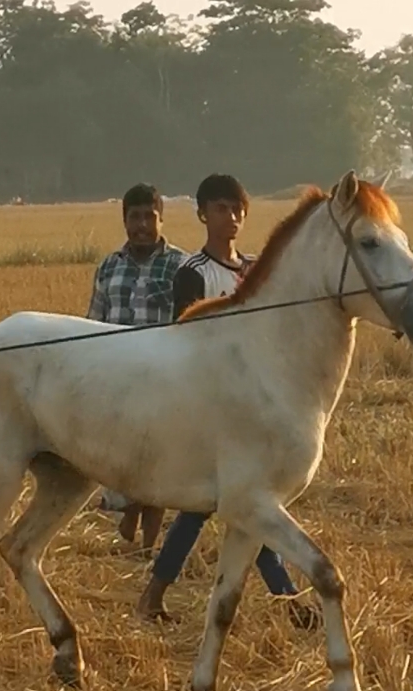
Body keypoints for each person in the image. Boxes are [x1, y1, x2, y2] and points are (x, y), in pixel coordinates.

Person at [136, 173, 318, 631]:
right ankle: (289, 599)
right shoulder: (193, 273)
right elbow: (189, 340)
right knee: (230, 505)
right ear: (203, 215)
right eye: (221, 209)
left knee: (229, 506)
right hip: (207, 404)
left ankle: (155, 594)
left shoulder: (257, 268)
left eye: (237, 209)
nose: (231, 217)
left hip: (253, 407)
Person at [87, 182, 186, 552]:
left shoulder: (180, 266)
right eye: (135, 217)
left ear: (161, 219)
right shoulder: (109, 267)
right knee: (123, 458)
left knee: (157, 458)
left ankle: (148, 544)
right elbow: (93, 322)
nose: (142, 225)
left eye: (149, 217)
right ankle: (128, 527)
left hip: (163, 378)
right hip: (115, 379)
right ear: (124, 220)